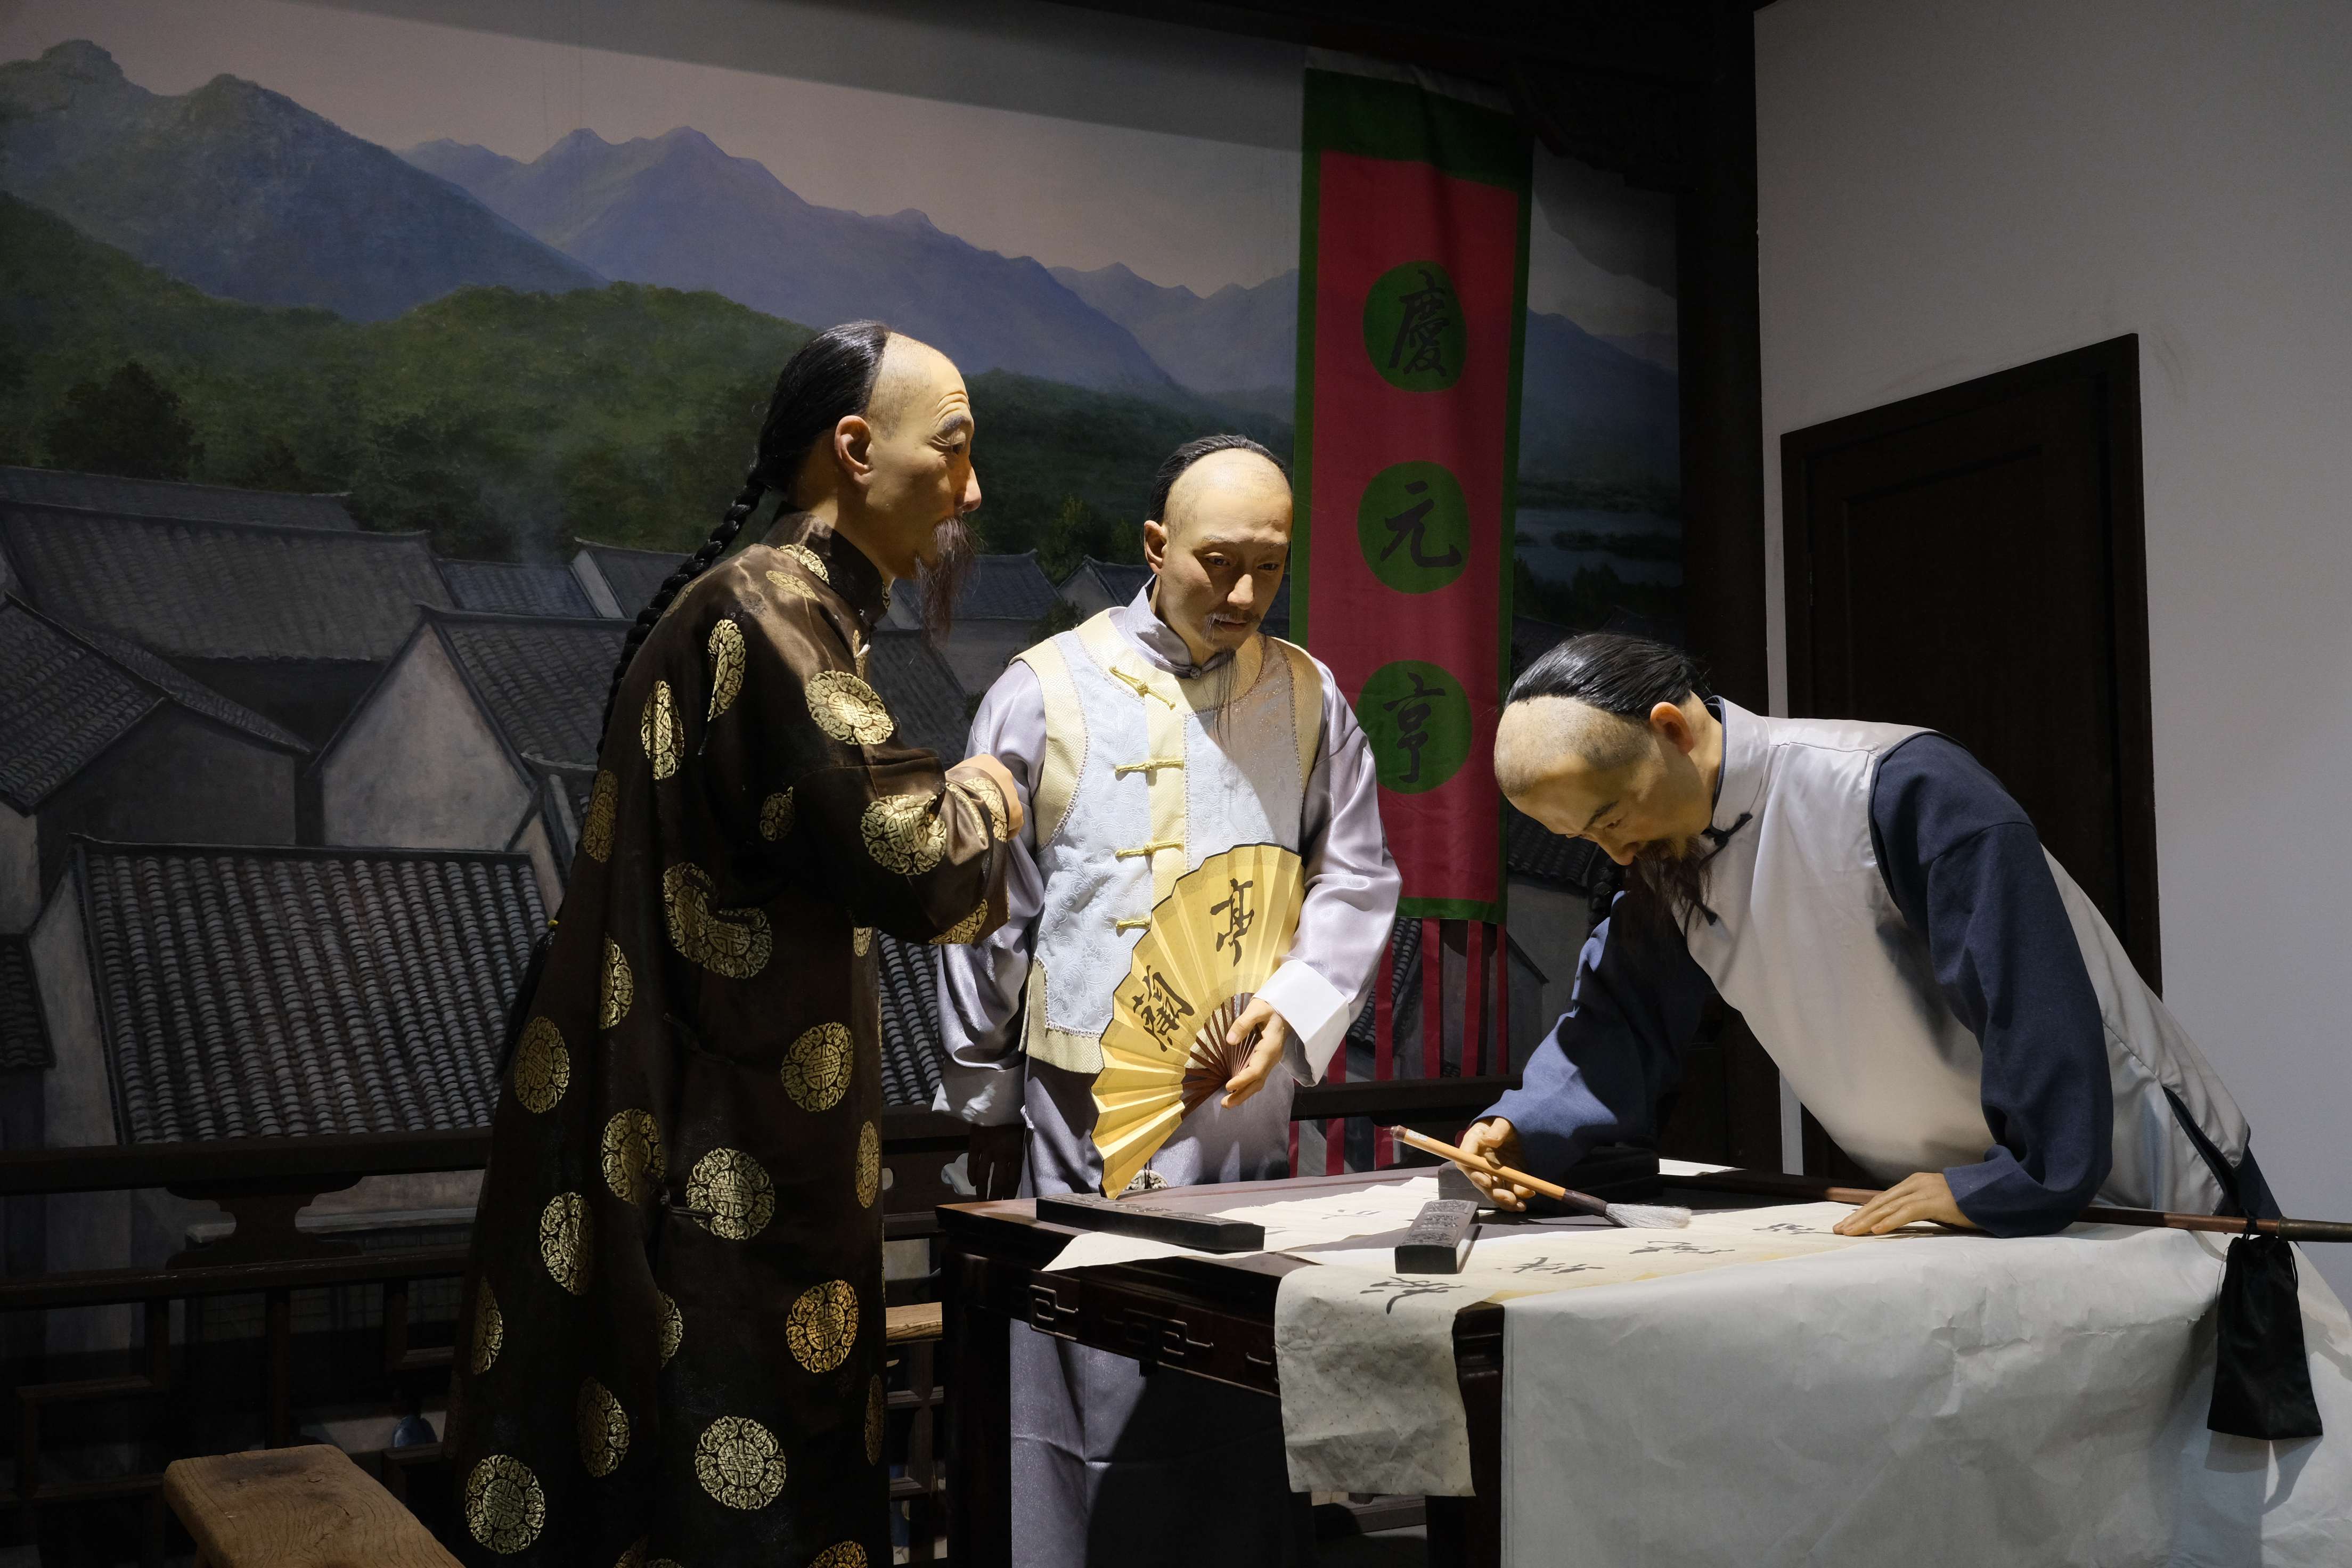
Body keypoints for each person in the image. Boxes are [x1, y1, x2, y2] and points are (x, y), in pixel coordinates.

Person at [446, 322, 1024, 1567]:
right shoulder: (771, 609)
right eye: (953, 449)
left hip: (732, 1125)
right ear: (855, 448)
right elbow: (919, 859)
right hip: (716, 1154)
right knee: (732, 1484)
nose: (972, 490)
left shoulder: (779, 603)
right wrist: (992, 790)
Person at [932, 434, 1399, 1568]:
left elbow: (1356, 874)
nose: (1243, 594)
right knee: (1094, 1384)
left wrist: (1294, 1004)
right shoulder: (1042, 692)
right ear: (1155, 544)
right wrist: (983, 1097)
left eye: (1269, 568)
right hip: (1084, 1115)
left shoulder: (1310, 695)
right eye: (1217, 562)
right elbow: (988, 911)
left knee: (1242, 1384)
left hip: (1246, 1107)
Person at [1463, 633, 2273, 1238]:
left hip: (2119, 1180)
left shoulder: (1891, 785)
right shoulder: (1665, 853)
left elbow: (2030, 1000)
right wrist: (1527, 1128)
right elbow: (1619, 1021)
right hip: (1946, 1206)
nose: (1615, 853)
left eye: (1611, 817)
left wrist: (2022, 1177)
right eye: (1584, 838)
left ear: (1671, 730)